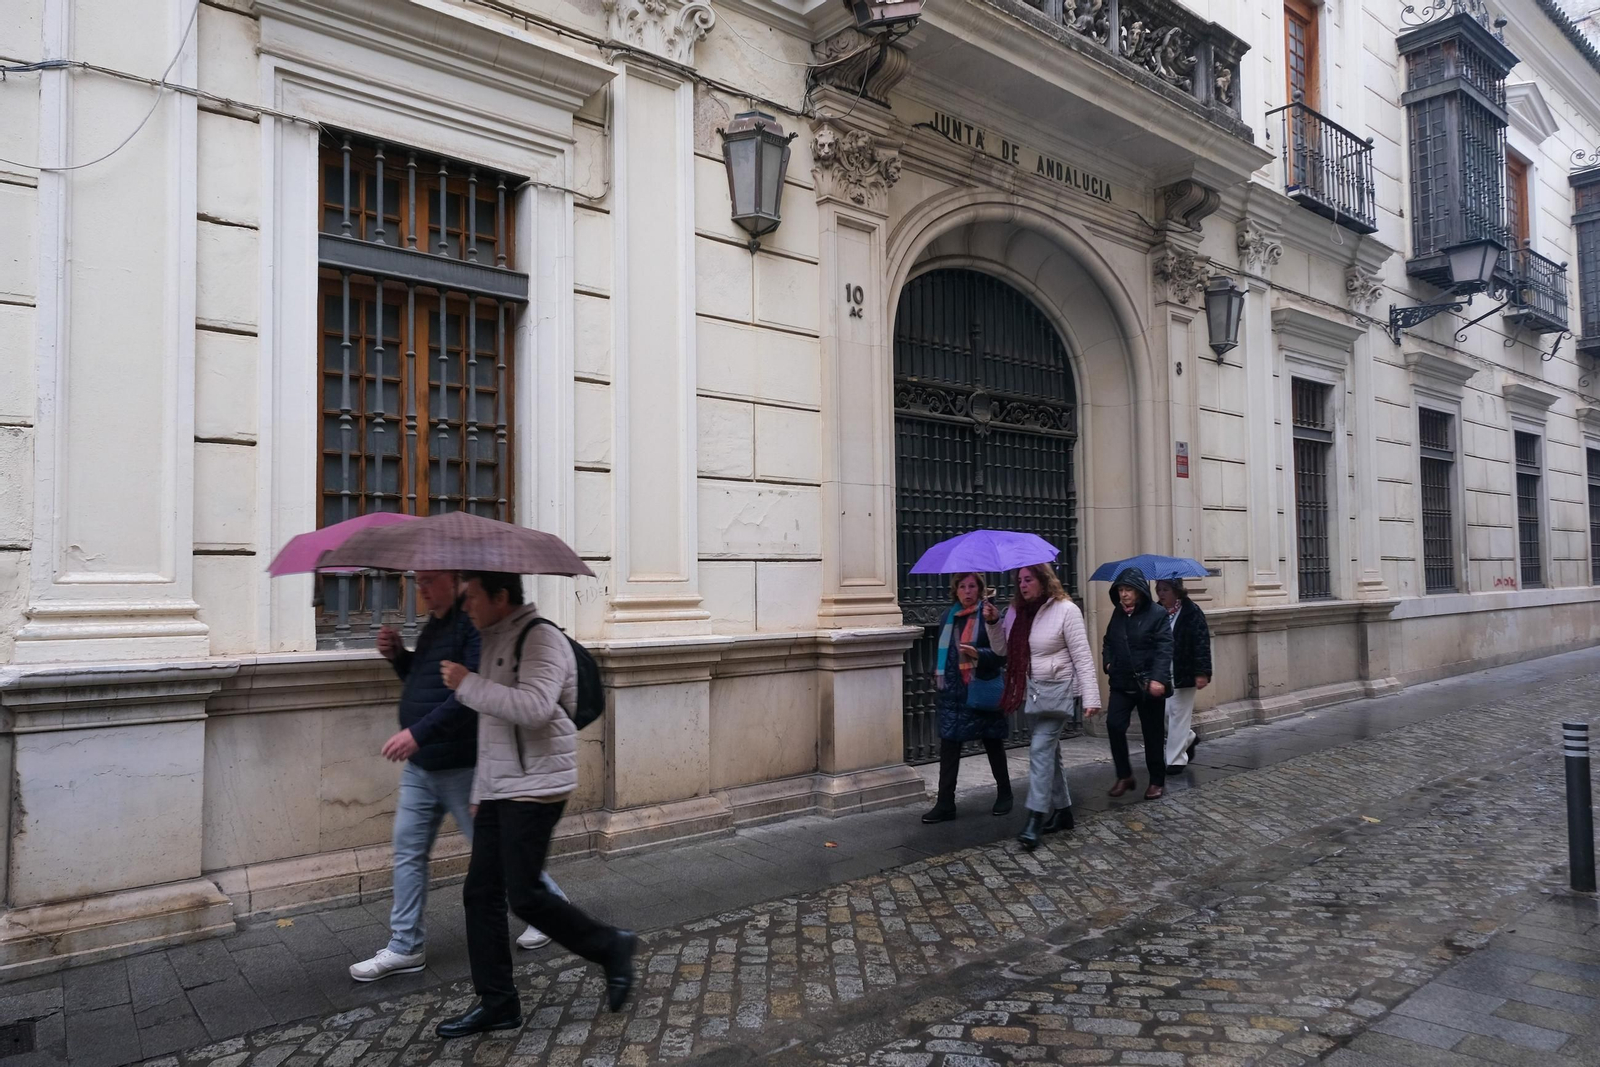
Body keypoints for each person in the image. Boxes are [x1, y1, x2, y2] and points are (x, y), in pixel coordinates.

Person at [434, 571, 636, 1038]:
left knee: (524, 896)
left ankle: (611, 947)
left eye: (474, 597)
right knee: (480, 893)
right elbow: (493, 728)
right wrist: (481, 790)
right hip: (501, 787)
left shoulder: (542, 638)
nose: (468, 605)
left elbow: (535, 708)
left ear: (501, 596)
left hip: (537, 786)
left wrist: (467, 683)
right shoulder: (493, 637)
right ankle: (498, 1003)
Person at [352, 571, 560, 984]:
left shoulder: (472, 625)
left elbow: (468, 698)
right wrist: (399, 656)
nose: (422, 589)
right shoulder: (436, 624)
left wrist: (418, 733)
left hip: (463, 765)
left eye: (430, 581)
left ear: (454, 579)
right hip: (423, 766)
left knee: (499, 851)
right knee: (408, 851)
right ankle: (405, 945)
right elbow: (425, 682)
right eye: (418, 582)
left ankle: (551, 910)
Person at [1004, 564, 1102, 850]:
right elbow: (1002, 649)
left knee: (1039, 749)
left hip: (1058, 692)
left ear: (1043, 580)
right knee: (1049, 752)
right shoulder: (1017, 612)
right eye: (1020, 580)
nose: (1023, 585)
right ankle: (1063, 811)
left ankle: (1035, 817)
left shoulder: (1066, 610)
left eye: (1028, 579)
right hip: (1033, 693)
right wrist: (992, 622)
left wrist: (1091, 696)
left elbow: (1082, 655)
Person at [921, 573, 1012, 824]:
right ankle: (945, 803)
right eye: (962, 586)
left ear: (980, 589)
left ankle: (1005, 793)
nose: (967, 591)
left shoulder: (989, 615)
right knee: (949, 748)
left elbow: (1001, 655)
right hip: (954, 692)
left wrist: (978, 654)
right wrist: (937, 673)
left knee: (993, 742)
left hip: (980, 687)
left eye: (972, 586)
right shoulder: (947, 616)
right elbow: (945, 652)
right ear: (956, 590)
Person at [1101, 567, 1174, 800]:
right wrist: (1108, 663)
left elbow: (1165, 648)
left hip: (1148, 683)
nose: (1124, 594)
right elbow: (1108, 641)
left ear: (1140, 591)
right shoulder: (1118, 613)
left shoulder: (1157, 613)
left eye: (1128, 590)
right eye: (1120, 590)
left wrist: (1158, 678)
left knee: (1152, 734)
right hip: (1122, 681)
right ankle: (1124, 775)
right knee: (1114, 725)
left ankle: (1156, 781)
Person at [1155, 578, 1211, 776]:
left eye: (1166, 589)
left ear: (1177, 591)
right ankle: (1188, 738)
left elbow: (1201, 642)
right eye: (1159, 589)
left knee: (1178, 714)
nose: (1161, 594)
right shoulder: (1156, 612)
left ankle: (1175, 760)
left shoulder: (1191, 612)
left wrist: (1202, 672)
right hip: (1162, 673)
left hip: (1184, 671)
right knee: (1164, 715)